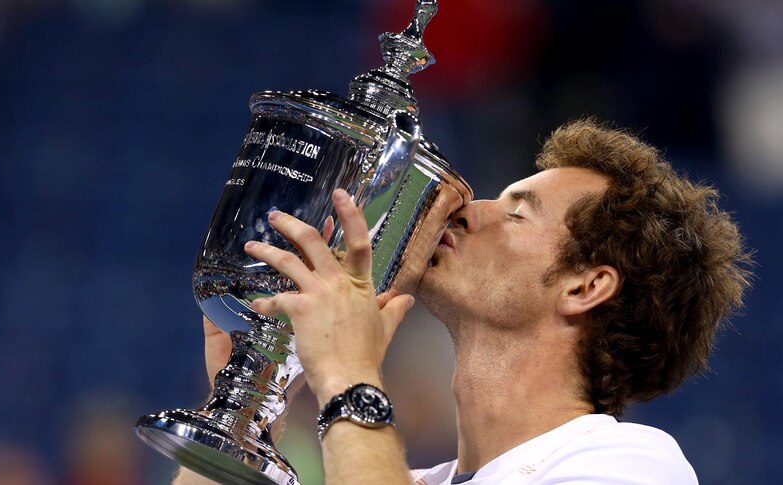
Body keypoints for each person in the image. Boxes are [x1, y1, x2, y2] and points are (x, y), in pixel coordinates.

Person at [175, 119, 751, 484]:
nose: (468, 209)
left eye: (517, 212)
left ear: (584, 287)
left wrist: (350, 375)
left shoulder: (631, 467)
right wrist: (247, 405)